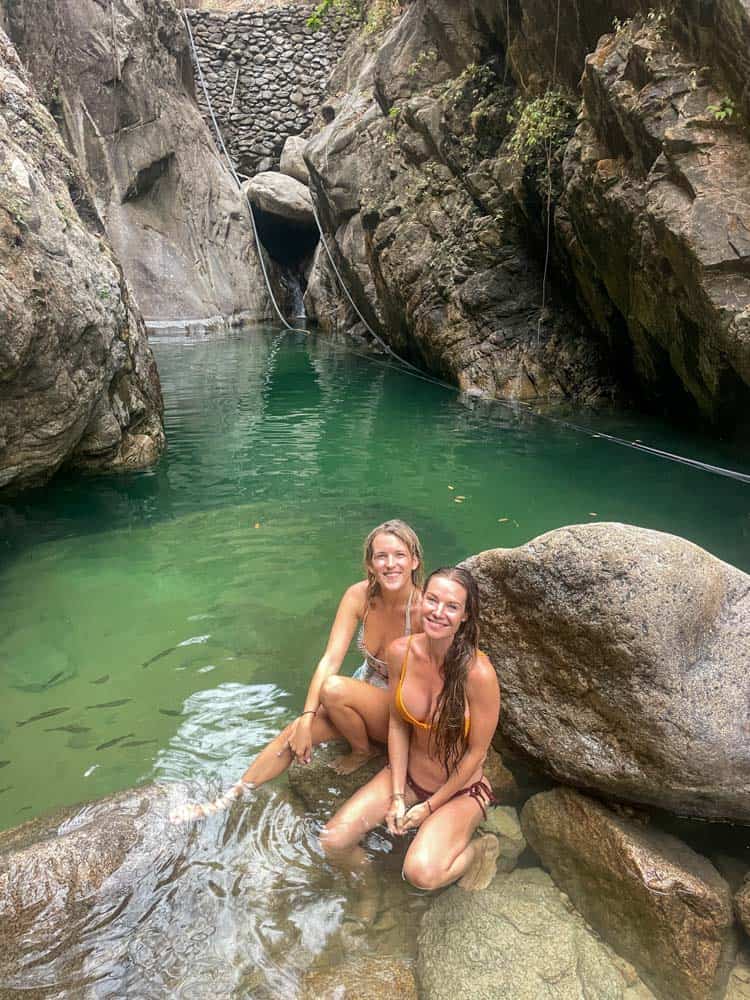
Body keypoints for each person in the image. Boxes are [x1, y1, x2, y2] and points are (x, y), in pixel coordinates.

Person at [171, 520, 424, 821]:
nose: (390, 564)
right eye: (381, 556)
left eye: (399, 555)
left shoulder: (424, 609)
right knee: (293, 733)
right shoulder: (359, 596)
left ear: (414, 561)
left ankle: (362, 751)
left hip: (398, 714)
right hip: (359, 700)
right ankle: (223, 802)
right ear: (370, 564)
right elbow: (330, 658)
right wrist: (306, 718)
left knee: (333, 689)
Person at [320, 566, 501, 892]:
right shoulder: (400, 653)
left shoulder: (479, 674)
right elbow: (398, 724)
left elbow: (477, 752)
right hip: (408, 778)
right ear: (421, 601)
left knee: (421, 875)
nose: (438, 612)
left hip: (459, 790)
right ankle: (369, 893)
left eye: (451, 606)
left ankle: (480, 850)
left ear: (465, 615)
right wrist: (399, 795)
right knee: (333, 842)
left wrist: (428, 809)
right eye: (432, 600)